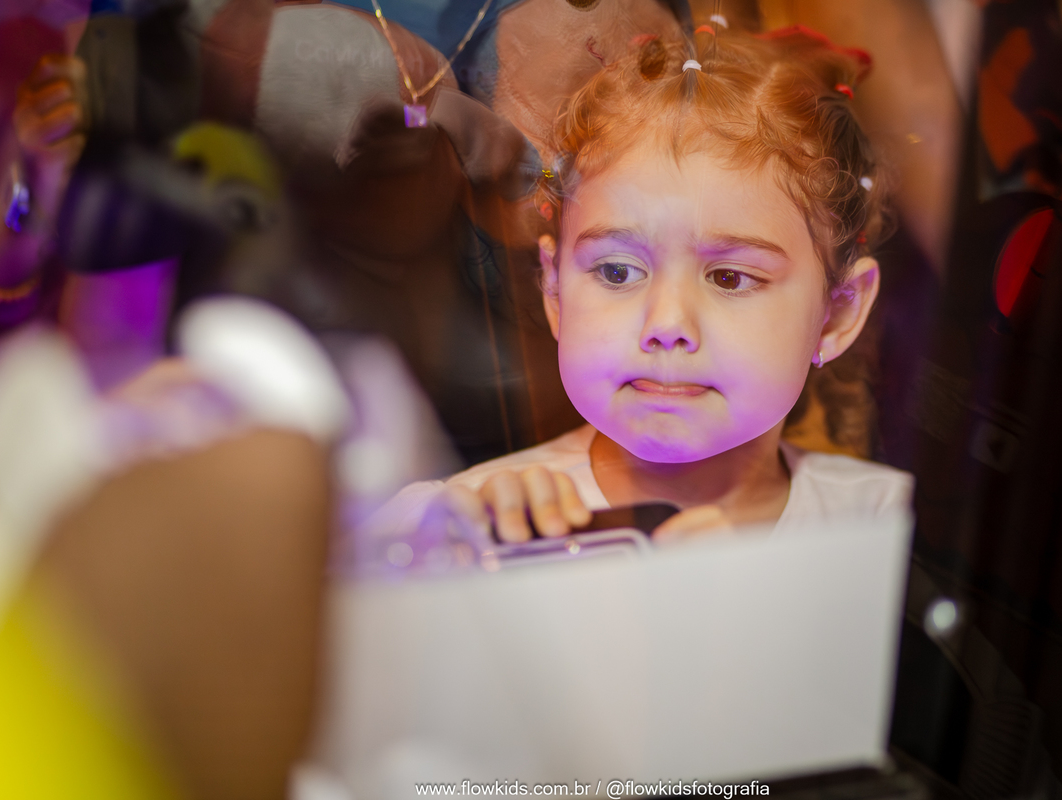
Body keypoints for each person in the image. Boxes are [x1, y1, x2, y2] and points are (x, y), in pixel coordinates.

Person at [368, 28, 912, 553]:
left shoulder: (887, 535)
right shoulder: (450, 531)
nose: (667, 324)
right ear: (554, 290)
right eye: (617, 272)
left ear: (837, 313)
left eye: (729, 277)